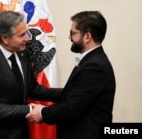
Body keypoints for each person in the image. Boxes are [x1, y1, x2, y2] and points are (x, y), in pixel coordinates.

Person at [26, 10, 116, 139]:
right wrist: (36, 91)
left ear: (87, 37)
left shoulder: (95, 66)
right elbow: (73, 94)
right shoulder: (91, 60)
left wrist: (42, 112)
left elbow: (71, 109)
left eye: (73, 33)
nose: (69, 37)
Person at [0, 10, 60, 139]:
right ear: (5, 38)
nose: (27, 38)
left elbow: (32, 89)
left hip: (19, 132)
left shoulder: (23, 54)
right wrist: (29, 110)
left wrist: (67, 92)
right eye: (21, 35)